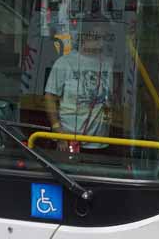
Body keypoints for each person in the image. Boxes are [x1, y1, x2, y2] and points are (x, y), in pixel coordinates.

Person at [45, 21, 114, 151]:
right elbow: (50, 97)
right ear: (84, 37)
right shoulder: (65, 63)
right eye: (96, 37)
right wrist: (58, 131)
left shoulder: (107, 63)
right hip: (68, 139)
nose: (101, 43)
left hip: (99, 141)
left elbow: (109, 99)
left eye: (105, 37)